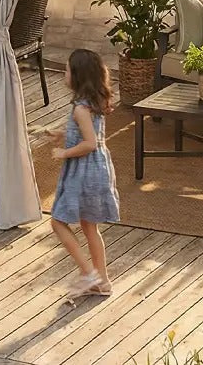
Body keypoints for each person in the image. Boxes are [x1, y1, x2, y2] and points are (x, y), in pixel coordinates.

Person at [45, 48, 119, 298]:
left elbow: (89, 143)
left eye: (66, 70)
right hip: (98, 169)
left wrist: (63, 153)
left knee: (58, 222)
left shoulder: (80, 109)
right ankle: (103, 282)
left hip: (85, 172)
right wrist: (63, 135)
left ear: (77, 76)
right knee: (89, 227)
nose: (64, 74)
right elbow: (88, 133)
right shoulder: (94, 104)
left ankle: (89, 274)